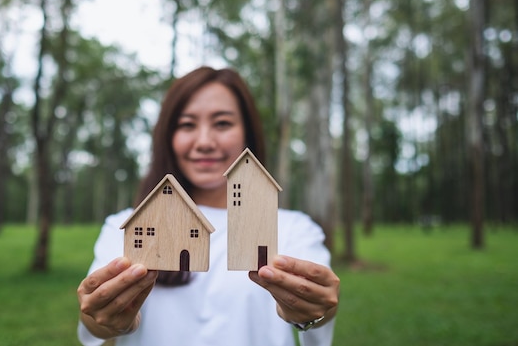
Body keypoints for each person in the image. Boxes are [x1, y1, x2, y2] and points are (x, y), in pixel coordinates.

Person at [77, 66, 339, 346]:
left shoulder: (292, 230)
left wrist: (311, 312)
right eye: (187, 124)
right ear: (168, 137)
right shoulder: (126, 227)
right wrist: (104, 318)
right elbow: (98, 328)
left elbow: (318, 313)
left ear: (247, 134)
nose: (204, 142)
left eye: (222, 123)